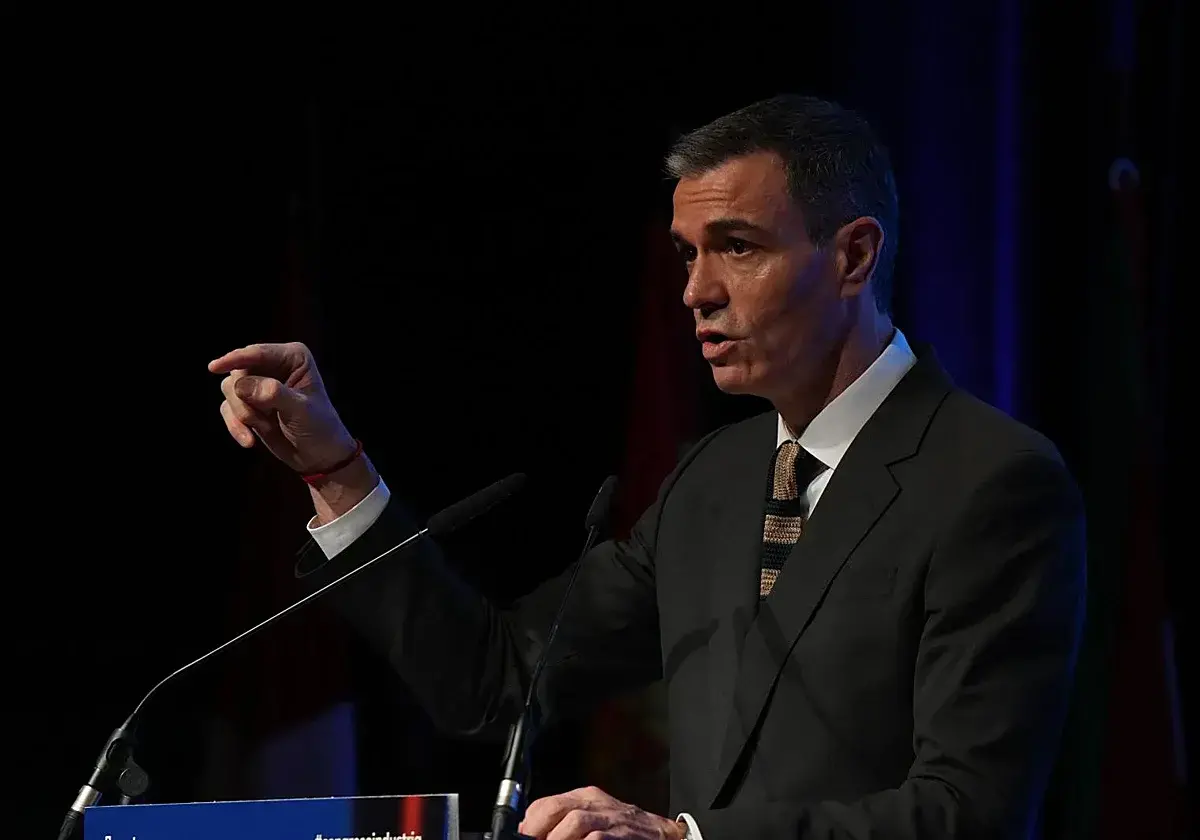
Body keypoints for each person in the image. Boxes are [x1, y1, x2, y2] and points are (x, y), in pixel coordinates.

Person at [209, 95, 1086, 839]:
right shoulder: (714, 481)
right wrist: (335, 473)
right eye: (687, 252)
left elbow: (970, 809)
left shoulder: (991, 480)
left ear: (853, 255)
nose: (695, 292)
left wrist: (685, 838)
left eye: (737, 246)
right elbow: (498, 682)